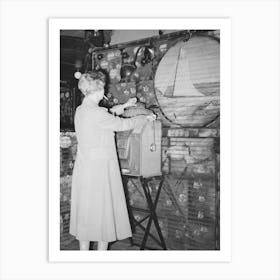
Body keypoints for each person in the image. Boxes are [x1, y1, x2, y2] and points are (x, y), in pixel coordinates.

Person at [69, 71, 152, 251]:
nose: (104, 91)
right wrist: (145, 118)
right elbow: (122, 124)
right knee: (103, 215)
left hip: (85, 169)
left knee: (87, 215)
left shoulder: (82, 110)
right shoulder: (98, 113)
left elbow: (107, 115)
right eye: (103, 88)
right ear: (98, 90)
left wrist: (125, 105)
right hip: (100, 171)